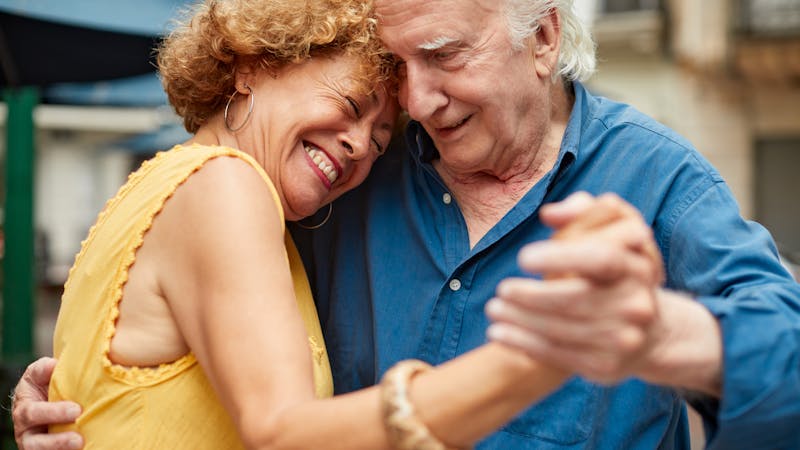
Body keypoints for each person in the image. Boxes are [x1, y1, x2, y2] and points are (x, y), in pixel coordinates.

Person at [13, 0, 800, 448]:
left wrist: (665, 334)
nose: (416, 102)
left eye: (445, 56)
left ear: (545, 36)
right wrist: (86, 401)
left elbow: (789, 366)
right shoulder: (332, 184)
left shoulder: (654, 178)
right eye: (396, 72)